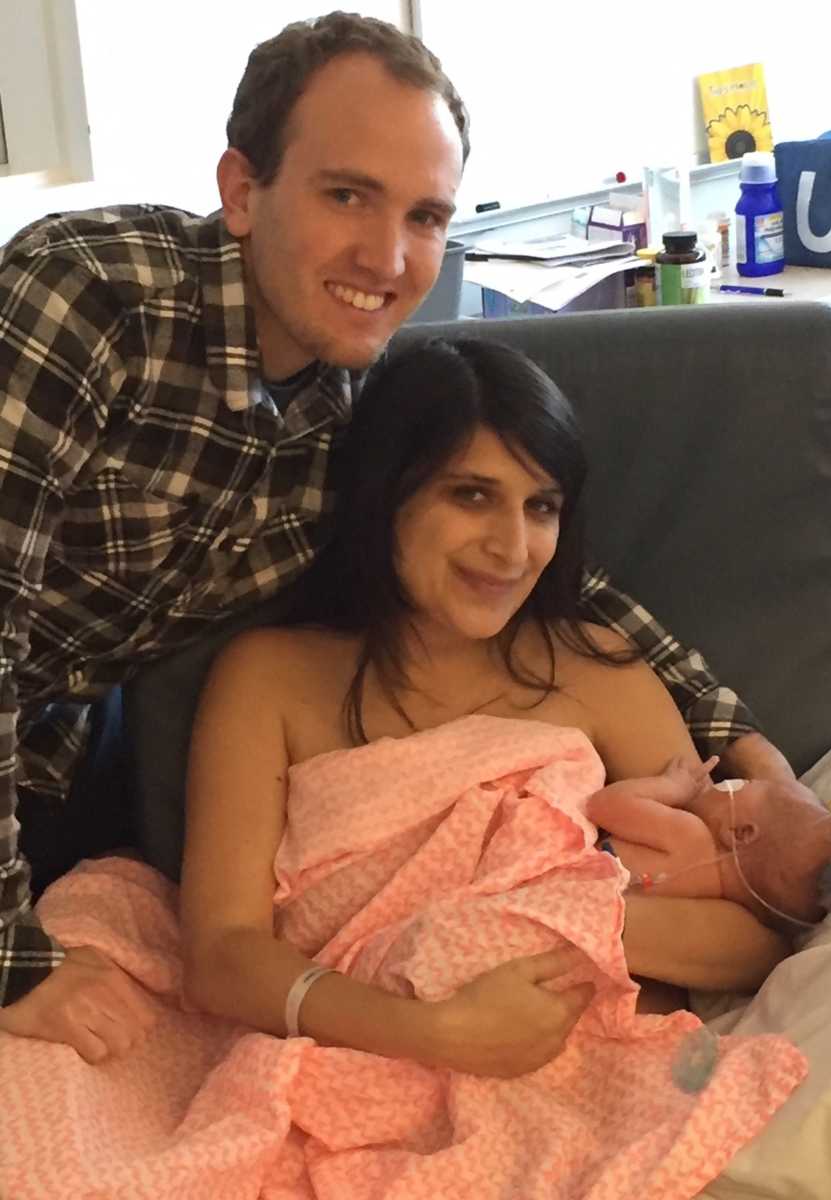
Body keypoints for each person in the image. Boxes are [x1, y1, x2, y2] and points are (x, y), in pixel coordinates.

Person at [0, 12, 790, 1054]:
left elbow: (556, 582)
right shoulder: (92, 300)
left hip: (52, 748)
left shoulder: (358, 405)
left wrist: (756, 770)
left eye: (426, 215)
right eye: (346, 195)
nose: (389, 256)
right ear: (242, 188)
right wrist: (14, 968)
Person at [179, 336, 790, 1077]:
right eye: (471, 495)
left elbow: (753, 936)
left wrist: (558, 922)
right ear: (385, 496)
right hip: (350, 1056)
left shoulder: (602, 673)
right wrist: (433, 1032)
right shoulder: (268, 679)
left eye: (541, 507)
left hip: (591, 1066)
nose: (512, 548)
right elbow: (221, 953)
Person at [588, 758, 831, 928]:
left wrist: (671, 787)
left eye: (745, 784)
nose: (722, 783)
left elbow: (604, 805)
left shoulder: (690, 835)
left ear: (739, 833)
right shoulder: (718, 908)